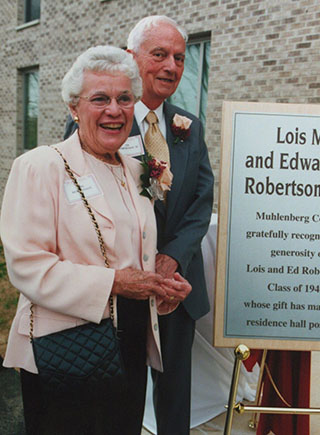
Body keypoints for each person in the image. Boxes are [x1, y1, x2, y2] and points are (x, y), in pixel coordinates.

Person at [0, 45, 191, 435]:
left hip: (132, 345)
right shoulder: (41, 166)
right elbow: (27, 266)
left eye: (124, 99)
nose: (114, 110)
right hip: (67, 352)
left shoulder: (138, 169)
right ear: (74, 106)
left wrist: (161, 288)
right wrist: (115, 282)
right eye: (99, 99)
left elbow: (133, 254)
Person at [64, 16, 214, 434]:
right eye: (160, 54)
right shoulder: (100, 119)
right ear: (132, 58)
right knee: (118, 398)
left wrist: (171, 260)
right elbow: (82, 203)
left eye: (180, 58)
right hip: (121, 289)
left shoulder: (189, 126)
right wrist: (130, 269)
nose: (171, 66)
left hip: (175, 287)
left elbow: (201, 203)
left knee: (175, 402)